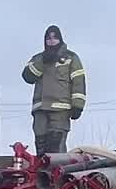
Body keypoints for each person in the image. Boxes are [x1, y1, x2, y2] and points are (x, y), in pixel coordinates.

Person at [22, 25, 86, 155]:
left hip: (60, 110)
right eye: (48, 38)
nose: (51, 41)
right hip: (40, 109)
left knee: (56, 148)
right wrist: (43, 61)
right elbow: (28, 77)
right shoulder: (38, 58)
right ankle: (42, 174)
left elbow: (78, 82)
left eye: (55, 38)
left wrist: (77, 106)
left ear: (60, 39)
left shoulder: (71, 58)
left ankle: (58, 173)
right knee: (41, 146)